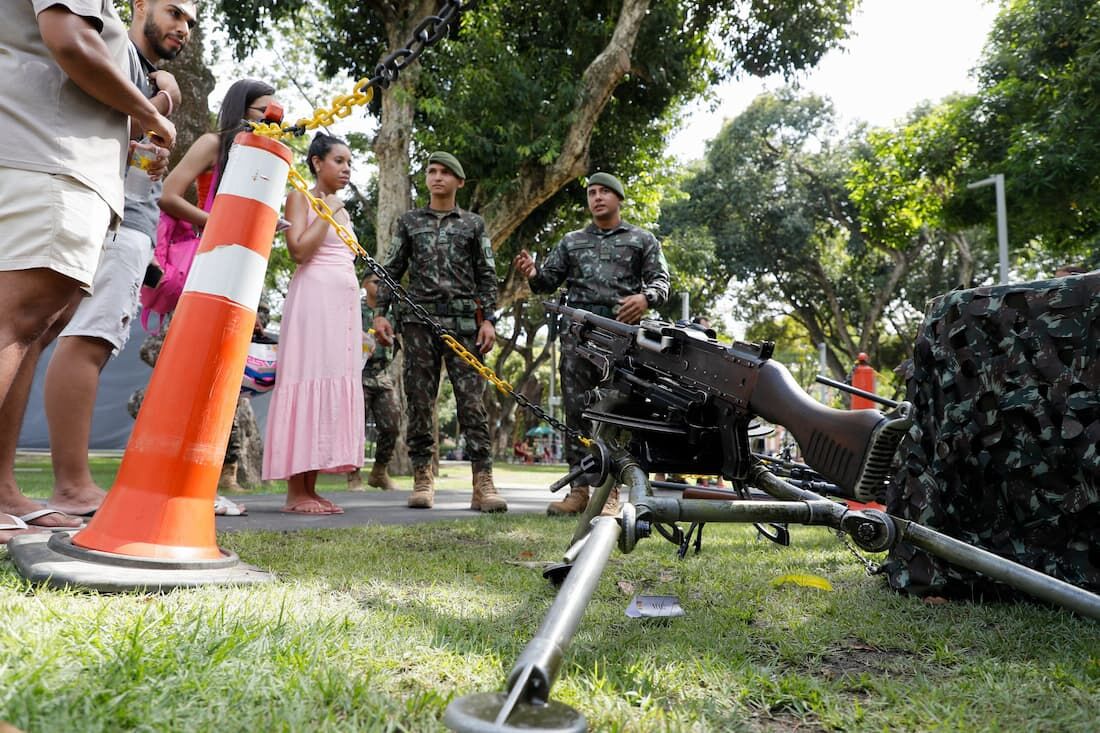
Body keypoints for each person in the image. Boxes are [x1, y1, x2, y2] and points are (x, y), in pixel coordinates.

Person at [0, 0, 176, 541]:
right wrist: (150, 113)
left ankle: (3, 489)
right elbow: (69, 39)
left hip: (62, 156)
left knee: (32, 328)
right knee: (15, 319)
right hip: (47, 152)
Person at [514, 171, 670, 516]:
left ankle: (610, 493)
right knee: (576, 413)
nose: (596, 197)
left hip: (622, 340)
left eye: (604, 192)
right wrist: (532, 272)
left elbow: (661, 282)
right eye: (592, 193)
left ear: (618, 198)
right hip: (578, 338)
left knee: (617, 414)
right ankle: (579, 490)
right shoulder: (571, 242)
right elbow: (547, 283)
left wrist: (645, 298)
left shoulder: (641, 240)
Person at [158, 78, 278, 512]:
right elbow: (169, 194)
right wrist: (214, 222)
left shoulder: (262, 156)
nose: (272, 119)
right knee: (190, 374)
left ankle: (200, 487)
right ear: (242, 109)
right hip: (205, 270)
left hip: (241, 275)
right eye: (264, 110)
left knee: (220, 381)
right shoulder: (215, 143)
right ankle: (173, 482)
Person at [373, 151, 506, 512]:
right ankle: (422, 478)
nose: (437, 177)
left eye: (446, 172)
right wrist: (380, 314)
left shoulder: (473, 224)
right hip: (418, 323)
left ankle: (483, 483)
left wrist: (489, 319)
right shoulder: (409, 222)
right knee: (419, 401)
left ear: (459, 182)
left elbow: (487, 275)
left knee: (472, 404)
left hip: (464, 326)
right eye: (431, 171)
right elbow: (391, 268)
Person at [262, 133, 364, 514]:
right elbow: (299, 250)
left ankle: (312, 487)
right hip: (313, 302)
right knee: (308, 381)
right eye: (339, 161)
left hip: (342, 311)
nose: (346, 169)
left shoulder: (341, 209)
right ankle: (295, 492)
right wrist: (329, 210)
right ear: (317, 163)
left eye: (349, 163)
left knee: (330, 385)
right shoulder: (301, 197)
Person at [346, 273, 400, 492]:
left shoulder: (390, 312)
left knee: (392, 424)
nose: (380, 286)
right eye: (376, 282)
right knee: (356, 426)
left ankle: (379, 472)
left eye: (383, 283)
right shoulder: (354, 309)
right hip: (358, 373)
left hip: (382, 375)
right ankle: (353, 476)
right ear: (364, 285)